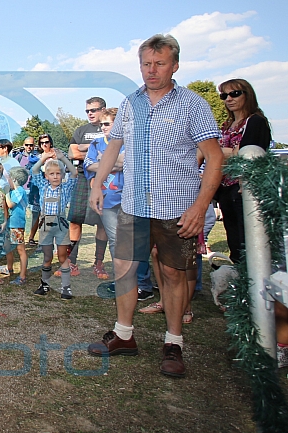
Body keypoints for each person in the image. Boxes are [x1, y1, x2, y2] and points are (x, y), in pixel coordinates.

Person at [86, 34, 223, 378]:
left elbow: (216, 158)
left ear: (174, 65)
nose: (151, 70)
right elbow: (114, 144)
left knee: (174, 275)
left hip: (177, 206)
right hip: (134, 204)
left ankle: (173, 343)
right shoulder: (130, 102)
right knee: (124, 269)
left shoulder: (192, 104)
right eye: (146, 63)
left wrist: (199, 207)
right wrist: (97, 183)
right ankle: (123, 335)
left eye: (159, 63)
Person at [215, 79, 272, 264]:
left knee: (249, 241)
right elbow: (225, 154)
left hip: (245, 189)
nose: (228, 99)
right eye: (224, 95)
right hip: (225, 189)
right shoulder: (227, 125)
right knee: (235, 242)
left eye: (235, 94)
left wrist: (221, 153)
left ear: (247, 95)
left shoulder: (255, 122)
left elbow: (247, 154)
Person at [67, 97, 110, 279]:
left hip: (106, 179)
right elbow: (72, 152)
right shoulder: (81, 130)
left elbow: (113, 152)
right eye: (87, 111)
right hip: (83, 177)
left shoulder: (109, 127)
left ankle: (98, 263)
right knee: (75, 219)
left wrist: (87, 150)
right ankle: (71, 261)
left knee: (102, 222)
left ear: (103, 109)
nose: (90, 114)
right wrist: (97, 151)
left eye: (93, 110)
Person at [30, 147, 78, 299]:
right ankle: (44, 285)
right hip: (45, 226)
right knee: (47, 257)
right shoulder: (43, 186)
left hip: (61, 226)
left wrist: (63, 159)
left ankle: (66, 288)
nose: (55, 176)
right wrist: (44, 159)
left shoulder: (65, 188)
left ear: (62, 175)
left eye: (58, 173)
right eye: (52, 174)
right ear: (47, 176)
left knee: (63, 257)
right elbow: (33, 170)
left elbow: (74, 173)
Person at [84, 108, 123, 282]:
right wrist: (114, 164)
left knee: (132, 240)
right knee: (115, 240)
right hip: (107, 198)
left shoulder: (129, 142)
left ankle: (140, 281)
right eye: (101, 124)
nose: (103, 127)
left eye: (107, 124)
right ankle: (120, 280)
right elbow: (88, 166)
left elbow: (127, 162)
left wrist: (104, 164)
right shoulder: (96, 143)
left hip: (129, 197)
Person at [5, 166, 30, 285]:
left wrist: (5, 193)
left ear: (14, 179)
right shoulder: (14, 191)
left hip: (17, 224)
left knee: (20, 249)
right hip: (11, 224)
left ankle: (22, 276)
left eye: (9, 178)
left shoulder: (19, 190)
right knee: (8, 247)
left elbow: (10, 204)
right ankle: (9, 268)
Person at [23, 137, 42, 246]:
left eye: (31, 145)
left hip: (35, 190)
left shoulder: (38, 157)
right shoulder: (18, 157)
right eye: (27, 145)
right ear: (24, 145)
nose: (29, 147)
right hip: (21, 190)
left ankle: (31, 237)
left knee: (35, 214)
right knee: (20, 214)